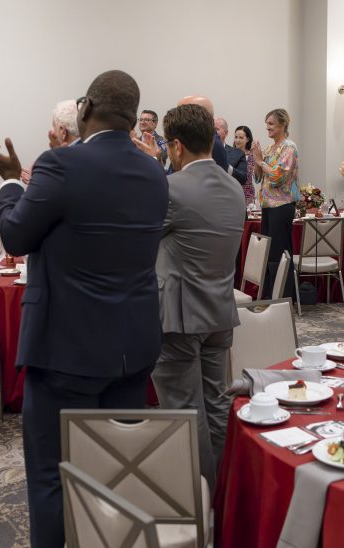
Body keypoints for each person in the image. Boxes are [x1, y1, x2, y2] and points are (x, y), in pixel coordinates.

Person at [0, 69, 169, 548]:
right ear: (132, 117)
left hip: (67, 351)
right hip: (133, 350)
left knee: (51, 475)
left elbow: (17, 236)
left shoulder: (61, 165)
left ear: (85, 109)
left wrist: (9, 183)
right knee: (113, 473)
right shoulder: (154, 172)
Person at [151, 104, 245, 493]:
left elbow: (139, 239)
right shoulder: (235, 187)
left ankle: (199, 502)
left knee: (185, 413)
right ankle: (222, 493)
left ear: (175, 146)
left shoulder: (170, 190)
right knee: (217, 406)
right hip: (220, 312)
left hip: (178, 316)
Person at [251, 108, 299, 298]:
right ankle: (269, 296)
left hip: (282, 206)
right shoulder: (270, 148)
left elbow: (278, 177)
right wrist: (257, 161)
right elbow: (257, 178)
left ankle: (283, 297)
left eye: (271, 124)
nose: (267, 127)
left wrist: (260, 161)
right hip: (267, 206)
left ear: (283, 124)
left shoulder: (289, 147)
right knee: (269, 253)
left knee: (280, 252)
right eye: (267, 124)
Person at [230, 125, 256, 205]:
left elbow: (256, 177)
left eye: (241, 138)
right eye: (236, 137)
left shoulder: (252, 155)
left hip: (247, 194)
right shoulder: (229, 153)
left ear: (247, 139)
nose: (237, 140)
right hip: (232, 192)